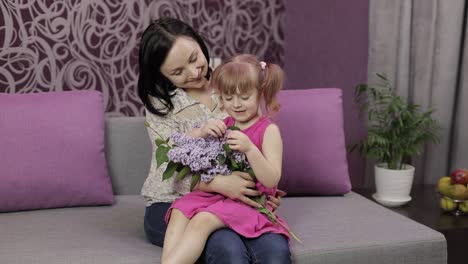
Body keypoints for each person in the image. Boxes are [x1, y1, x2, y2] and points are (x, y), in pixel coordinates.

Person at [138, 17, 290, 264]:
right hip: (171, 201)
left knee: (266, 247)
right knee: (226, 247)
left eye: (194, 58)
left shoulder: (232, 82)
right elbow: (169, 165)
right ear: (162, 74)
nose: (195, 72)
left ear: (200, 44)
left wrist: (260, 188)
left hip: (230, 200)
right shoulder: (160, 105)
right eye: (178, 72)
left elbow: (256, 144)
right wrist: (218, 184)